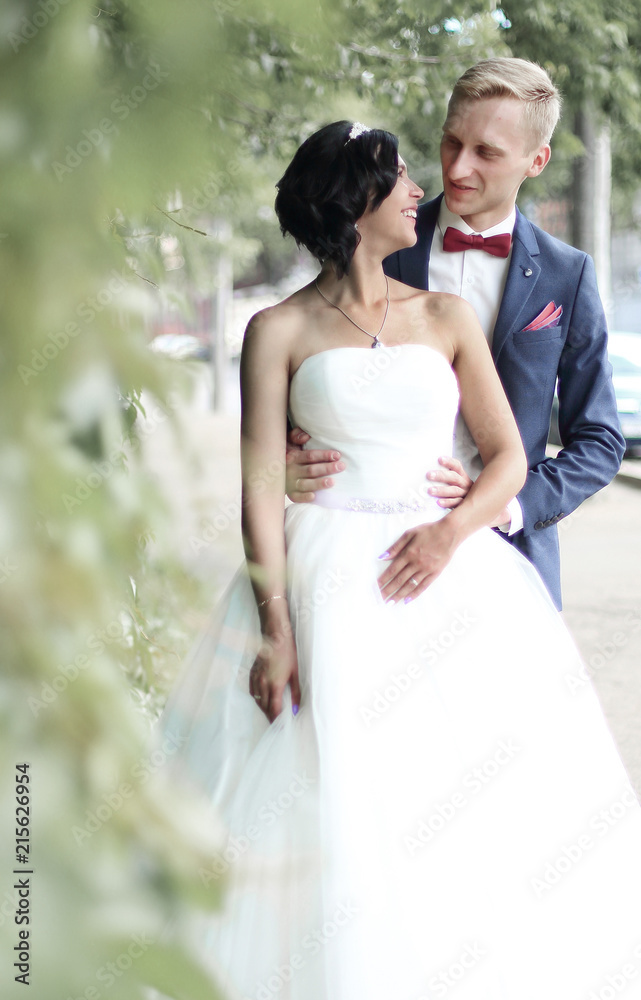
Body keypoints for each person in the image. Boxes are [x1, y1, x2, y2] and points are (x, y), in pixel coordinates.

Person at [154, 121, 641, 1000]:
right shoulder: (274, 328)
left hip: (448, 572)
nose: (421, 190)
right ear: (355, 202)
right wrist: (276, 626)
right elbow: (261, 482)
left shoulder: (447, 316)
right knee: (324, 791)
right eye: (402, 178)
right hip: (320, 577)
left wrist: (448, 536)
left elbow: (508, 460)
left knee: (462, 792)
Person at [284, 58, 625, 610]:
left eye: (486, 153)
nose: (457, 168)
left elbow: (600, 441)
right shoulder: (378, 244)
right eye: (451, 142)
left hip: (511, 557)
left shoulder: (569, 274)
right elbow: (310, 374)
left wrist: (506, 507)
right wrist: (286, 456)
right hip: (371, 558)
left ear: (535, 161)